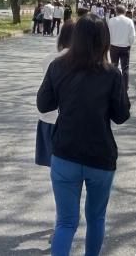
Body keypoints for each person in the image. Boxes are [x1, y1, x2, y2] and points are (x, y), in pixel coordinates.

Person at [37, 14, 131, 256]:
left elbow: (44, 105)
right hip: (100, 156)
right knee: (96, 218)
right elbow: (121, 116)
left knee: (66, 222)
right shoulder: (112, 74)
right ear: (104, 41)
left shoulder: (57, 66)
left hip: (65, 153)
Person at [36, 22, 75, 167]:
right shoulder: (85, 60)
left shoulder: (50, 58)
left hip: (49, 118)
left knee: (56, 167)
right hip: (72, 121)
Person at [107, 5, 136, 93]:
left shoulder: (111, 21)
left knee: (114, 66)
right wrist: (130, 44)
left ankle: (114, 85)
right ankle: (125, 86)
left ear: (116, 11)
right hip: (125, 46)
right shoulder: (129, 21)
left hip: (113, 46)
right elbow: (132, 35)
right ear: (124, 11)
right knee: (125, 68)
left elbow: (108, 34)